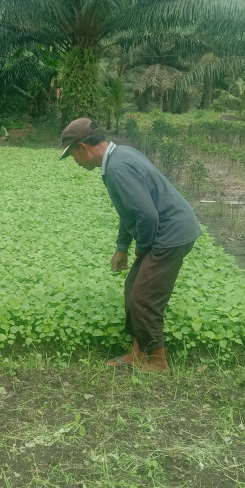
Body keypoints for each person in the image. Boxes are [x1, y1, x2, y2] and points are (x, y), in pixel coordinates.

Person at [60, 118, 201, 372]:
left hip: (171, 233)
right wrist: (122, 247)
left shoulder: (118, 168)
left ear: (83, 147)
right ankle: (138, 353)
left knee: (144, 297)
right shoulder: (120, 155)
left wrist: (142, 249)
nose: (75, 162)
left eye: (72, 155)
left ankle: (157, 361)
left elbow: (147, 216)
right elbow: (129, 212)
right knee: (133, 288)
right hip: (168, 230)